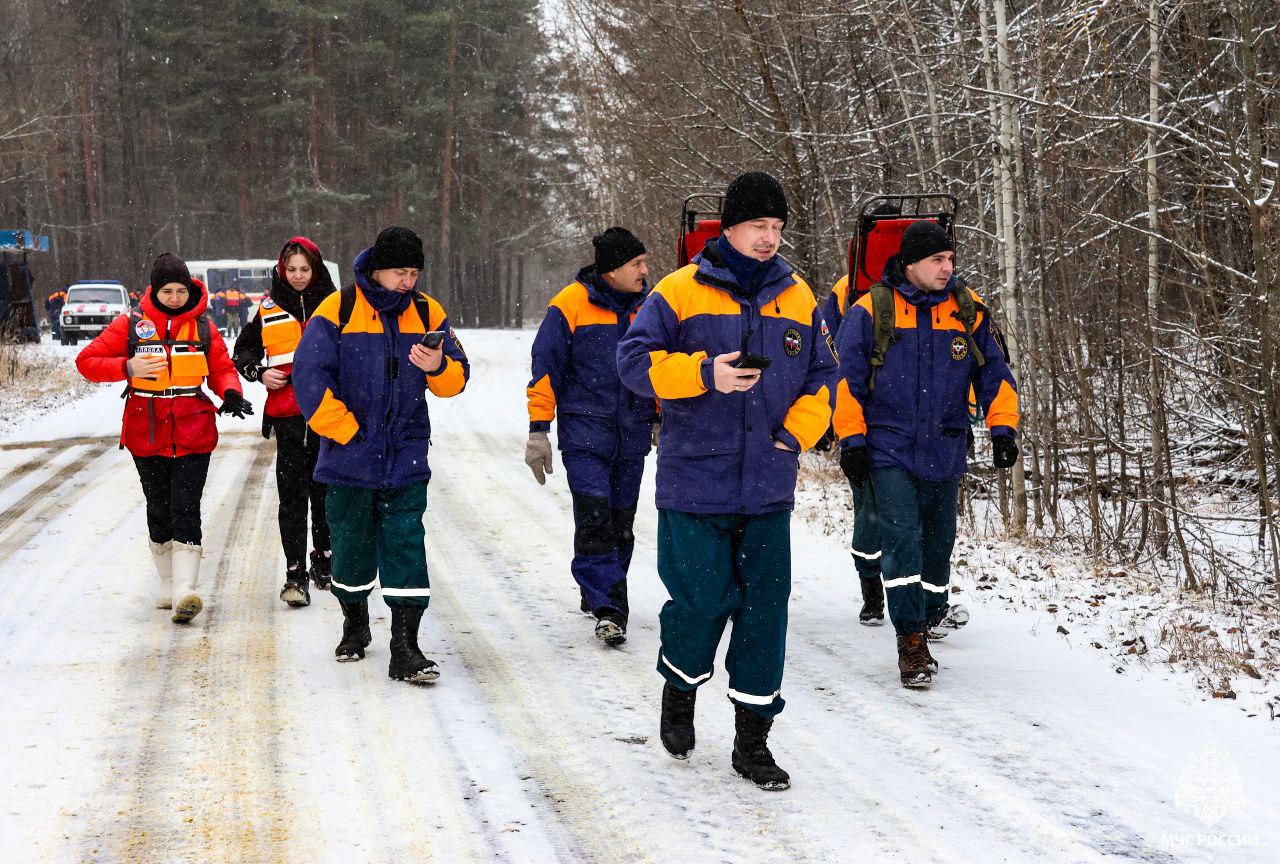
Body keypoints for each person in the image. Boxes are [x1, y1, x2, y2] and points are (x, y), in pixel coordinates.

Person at [618, 171, 837, 791]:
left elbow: (824, 376)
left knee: (765, 614)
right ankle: (680, 687)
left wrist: (793, 434)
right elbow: (633, 362)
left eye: (776, 227)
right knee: (699, 604)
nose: (770, 238)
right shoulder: (679, 291)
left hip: (767, 485)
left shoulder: (798, 296)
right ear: (730, 227)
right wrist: (702, 373)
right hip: (695, 483)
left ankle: (752, 741)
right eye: (758, 226)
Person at [832, 220, 1019, 688]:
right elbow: (846, 381)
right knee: (901, 538)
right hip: (887, 446)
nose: (947, 267)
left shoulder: (967, 309)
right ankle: (910, 641)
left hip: (946, 443)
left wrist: (1003, 430)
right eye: (937, 259)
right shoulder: (870, 311)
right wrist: (851, 440)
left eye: (951, 259)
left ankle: (931, 609)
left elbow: (994, 374)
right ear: (911, 263)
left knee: (939, 540)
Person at [293, 226, 469, 685]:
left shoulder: (429, 313)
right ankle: (354, 621)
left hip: (406, 453)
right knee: (350, 543)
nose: (408, 282)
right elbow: (309, 381)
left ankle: (405, 646)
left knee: (406, 543)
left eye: (413, 272)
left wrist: (440, 366)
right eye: (399, 272)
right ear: (376, 269)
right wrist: (348, 432)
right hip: (349, 456)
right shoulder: (339, 309)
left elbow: (456, 380)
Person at [75, 253, 254, 624]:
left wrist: (231, 393)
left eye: (181, 290)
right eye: (167, 291)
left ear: (190, 289)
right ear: (154, 291)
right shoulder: (130, 325)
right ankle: (169, 583)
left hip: (194, 428)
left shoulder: (204, 327)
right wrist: (126, 366)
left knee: (186, 505)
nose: (175, 297)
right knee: (158, 506)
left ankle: (186, 589)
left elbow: (221, 368)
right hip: (146, 428)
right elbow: (87, 362)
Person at [525, 227, 658, 647]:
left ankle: (599, 589)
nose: (645, 270)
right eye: (637, 264)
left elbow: (662, 365)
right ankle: (610, 607)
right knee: (595, 518)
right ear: (613, 269)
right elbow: (546, 369)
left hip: (633, 434)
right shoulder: (570, 305)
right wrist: (538, 430)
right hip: (585, 435)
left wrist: (659, 416)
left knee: (622, 523)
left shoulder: (650, 307)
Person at [233, 237, 338, 608]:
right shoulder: (267, 308)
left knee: (327, 495)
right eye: (291, 269)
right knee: (292, 499)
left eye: (304, 269)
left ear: (316, 269)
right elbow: (243, 350)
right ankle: (295, 575)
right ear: (281, 269)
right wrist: (259, 372)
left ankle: (325, 560)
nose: (297, 276)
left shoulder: (337, 305)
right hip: (289, 418)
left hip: (329, 416)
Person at [819, 202, 902, 627]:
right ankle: (872, 590)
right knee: (869, 510)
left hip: (898, 421)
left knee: (894, 514)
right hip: (860, 419)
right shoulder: (846, 292)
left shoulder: (931, 292)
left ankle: (910, 599)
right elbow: (829, 357)